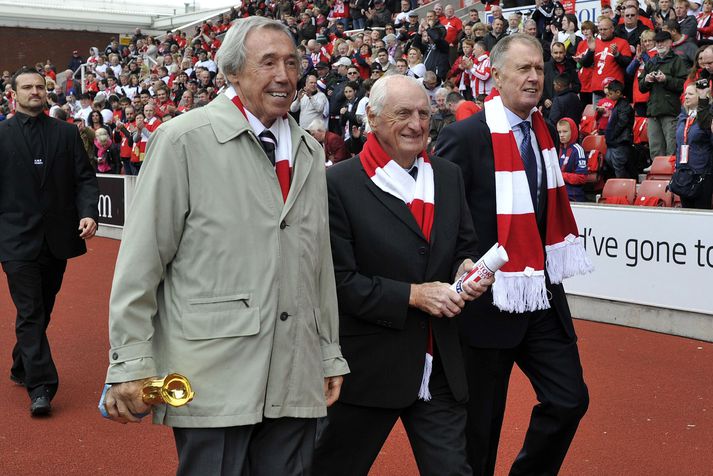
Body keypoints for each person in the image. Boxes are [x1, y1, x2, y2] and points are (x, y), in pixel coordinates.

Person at [102, 17, 349, 476]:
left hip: (296, 369)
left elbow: (318, 265)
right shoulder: (182, 140)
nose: (284, 75)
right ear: (232, 72)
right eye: (268, 62)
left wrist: (329, 351)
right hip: (209, 374)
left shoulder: (311, 156)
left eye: (292, 63)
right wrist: (130, 362)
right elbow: (141, 262)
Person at [313, 74, 492, 476]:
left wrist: (467, 268)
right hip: (367, 370)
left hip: (440, 365)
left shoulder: (448, 175)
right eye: (403, 113)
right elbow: (338, 283)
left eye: (424, 113)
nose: (416, 124)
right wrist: (413, 295)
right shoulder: (338, 184)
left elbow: (463, 245)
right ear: (372, 119)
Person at [436, 34, 592, 476]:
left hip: (541, 297)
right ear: (497, 75)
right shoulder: (463, 137)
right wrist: (461, 265)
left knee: (569, 400)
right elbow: (444, 216)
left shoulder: (544, 134)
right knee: (479, 431)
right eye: (523, 69)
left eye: (539, 69)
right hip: (487, 303)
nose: (533, 77)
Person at [0, 66, 99, 416]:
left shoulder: (67, 134)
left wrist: (89, 212)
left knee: (42, 309)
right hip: (14, 239)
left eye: (40, 87)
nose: (35, 92)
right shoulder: (2, 135)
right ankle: (41, 386)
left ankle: (20, 364)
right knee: (30, 310)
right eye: (27, 87)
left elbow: (85, 179)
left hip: (56, 238)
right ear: (14, 94)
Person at [639, 30, 688, 158]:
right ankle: (656, 171)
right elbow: (641, 87)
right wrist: (647, 80)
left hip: (670, 110)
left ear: (670, 43)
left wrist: (666, 79)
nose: (660, 45)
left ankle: (671, 173)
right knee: (655, 147)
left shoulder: (677, 61)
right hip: (653, 110)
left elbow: (684, 85)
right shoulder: (651, 61)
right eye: (658, 42)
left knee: (671, 146)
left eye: (663, 42)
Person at [675, 83, 713, 208]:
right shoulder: (683, 117)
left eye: (690, 94)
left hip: (701, 172)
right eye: (685, 94)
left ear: (701, 96)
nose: (686, 97)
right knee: (686, 214)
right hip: (683, 172)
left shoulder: (707, 118)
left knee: (701, 214)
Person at [603, 79, 635, 178]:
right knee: (610, 161)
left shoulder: (624, 105)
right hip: (614, 141)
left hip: (620, 141)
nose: (609, 96)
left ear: (618, 92)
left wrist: (613, 134)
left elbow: (622, 122)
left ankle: (623, 186)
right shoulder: (618, 105)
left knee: (618, 164)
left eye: (611, 94)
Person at [557, 118, 589, 201]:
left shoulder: (578, 150)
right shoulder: (557, 149)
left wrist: (560, 175)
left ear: (573, 131)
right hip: (558, 191)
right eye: (559, 132)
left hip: (573, 195)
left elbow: (582, 177)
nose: (561, 135)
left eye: (565, 131)